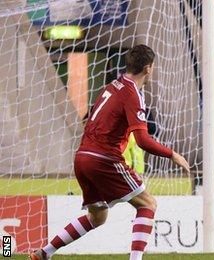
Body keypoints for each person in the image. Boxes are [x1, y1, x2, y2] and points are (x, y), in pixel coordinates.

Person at [29, 45, 191, 260]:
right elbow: (142, 141)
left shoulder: (112, 86)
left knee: (97, 217)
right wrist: (172, 154)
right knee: (148, 204)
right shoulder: (133, 94)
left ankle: (44, 253)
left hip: (82, 158)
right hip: (104, 159)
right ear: (149, 68)